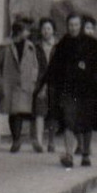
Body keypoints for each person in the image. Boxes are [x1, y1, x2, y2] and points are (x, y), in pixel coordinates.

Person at [33, 13, 97, 168]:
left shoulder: (92, 43)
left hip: (87, 90)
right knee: (68, 121)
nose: (73, 28)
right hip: (68, 90)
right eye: (70, 25)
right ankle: (69, 155)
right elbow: (53, 67)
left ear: (80, 26)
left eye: (76, 25)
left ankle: (85, 154)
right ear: (67, 26)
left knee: (86, 123)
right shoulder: (64, 44)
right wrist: (44, 86)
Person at [0, 19, 45, 152]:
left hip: (26, 84)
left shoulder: (30, 47)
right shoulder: (5, 46)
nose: (28, 32)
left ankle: (31, 140)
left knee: (26, 112)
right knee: (14, 113)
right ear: (19, 32)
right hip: (10, 84)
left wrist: (33, 81)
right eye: (26, 30)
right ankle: (16, 140)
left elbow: (35, 66)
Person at [35, 17, 62, 152]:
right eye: (44, 29)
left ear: (53, 31)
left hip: (55, 83)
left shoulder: (58, 47)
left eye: (48, 29)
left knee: (52, 113)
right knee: (39, 111)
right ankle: (39, 142)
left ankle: (51, 141)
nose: (46, 31)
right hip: (40, 82)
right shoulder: (36, 47)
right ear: (40, 31)